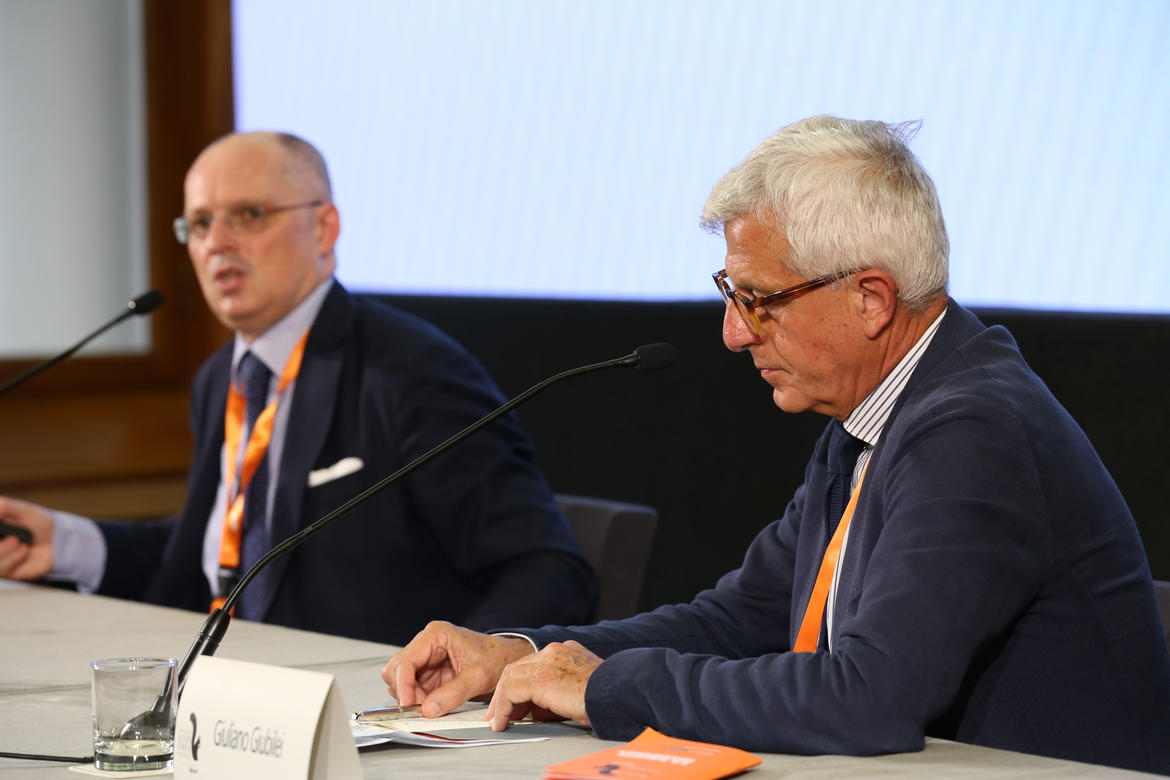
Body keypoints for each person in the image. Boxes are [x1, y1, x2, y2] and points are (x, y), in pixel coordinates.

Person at [380, 116, 1170, 774]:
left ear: (870, 298)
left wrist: (607, 687)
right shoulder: (873, 415)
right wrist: (522, 653)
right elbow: (739, 619)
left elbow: (868, 699)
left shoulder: (974, 430)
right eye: (731, 295)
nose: (733, 333)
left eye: (759, 300)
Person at [0, 131, 596, 645]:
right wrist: (70, 544)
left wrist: (468, 663)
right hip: (227, 693)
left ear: (324, 228)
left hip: (359, 706)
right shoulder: (221, 378)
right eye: (200, 223)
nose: (217, 243)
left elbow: (545, 566)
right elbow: (219, 554)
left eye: (249, 214)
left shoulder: (410, 372)